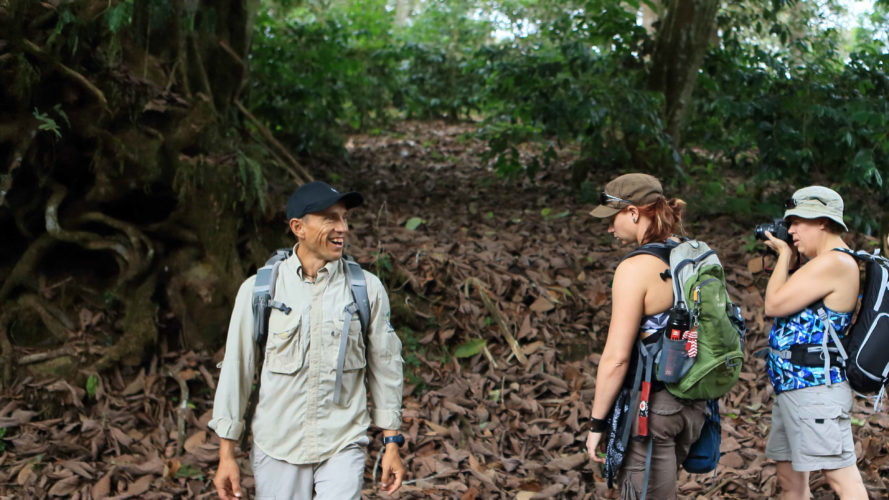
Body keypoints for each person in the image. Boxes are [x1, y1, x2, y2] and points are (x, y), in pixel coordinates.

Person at [209, 181, 406, 499]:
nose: (342, 228)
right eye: (330, 218)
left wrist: (392, 442)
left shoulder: (366, 289)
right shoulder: (259, 290)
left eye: (344, 218)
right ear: (298, 228)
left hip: (343, 440)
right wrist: (226, 454)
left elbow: (386, 366)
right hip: (278, 443)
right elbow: (237, 369)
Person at [584, 173, 707, 499]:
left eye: (612, 219)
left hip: (655, 409)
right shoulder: (691, 253)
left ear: (634, 212)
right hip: (695, 402)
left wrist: (597, 425)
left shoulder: (635, 269)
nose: (609, 228)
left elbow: (616, 358)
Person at [761, 186, 868, 500]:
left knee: (842, 481)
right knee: (789, 481)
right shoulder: (820, 263)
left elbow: (773, 304)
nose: (791, 230)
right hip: (793, 387)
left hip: (815, 389)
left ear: (822, 221)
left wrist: (784, 256)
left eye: (797, 222)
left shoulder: (835, 262)